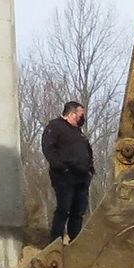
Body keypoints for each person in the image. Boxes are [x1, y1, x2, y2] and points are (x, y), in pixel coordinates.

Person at [42, 101, 94, 243]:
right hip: (64, 176)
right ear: (71, 114)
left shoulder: (78, 133)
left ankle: (74, 241)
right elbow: (48, 149)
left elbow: (87, 152)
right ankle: (55, 241)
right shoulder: (55, 126)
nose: (83, 117)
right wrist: (61, 167)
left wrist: (90, 170)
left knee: (78, 212)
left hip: (82, 177)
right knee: (63, 209)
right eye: (81, 114)